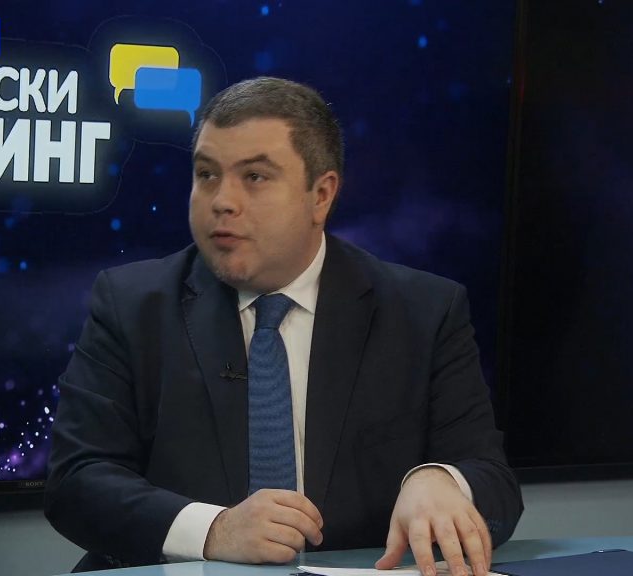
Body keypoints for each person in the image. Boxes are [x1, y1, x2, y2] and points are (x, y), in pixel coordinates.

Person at [45, 77, 523, 576]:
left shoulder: (424, 311)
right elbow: (77, 482)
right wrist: (213, 530)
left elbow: (495, 486)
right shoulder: (131, 305)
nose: (222, 200)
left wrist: (442, 480)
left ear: (321, 195)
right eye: (206, 174)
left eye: (254, 177)